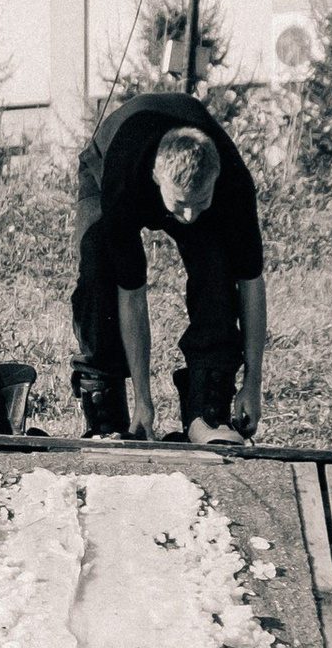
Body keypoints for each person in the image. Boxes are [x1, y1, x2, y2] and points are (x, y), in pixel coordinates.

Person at [70, 87, 266, 444]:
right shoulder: (125, 180)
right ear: (159, 179)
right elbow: (132, 296)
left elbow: (251, 284)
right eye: (180, 206)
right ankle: (107, 410)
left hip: (184, 171)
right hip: (106, 165)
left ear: (216, 180)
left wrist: (253, 384)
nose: (189, 217)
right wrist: (144, 402)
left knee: (217, 272)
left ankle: (208, 407)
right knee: (99, 271)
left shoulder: (233, 185)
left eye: (200, 200)